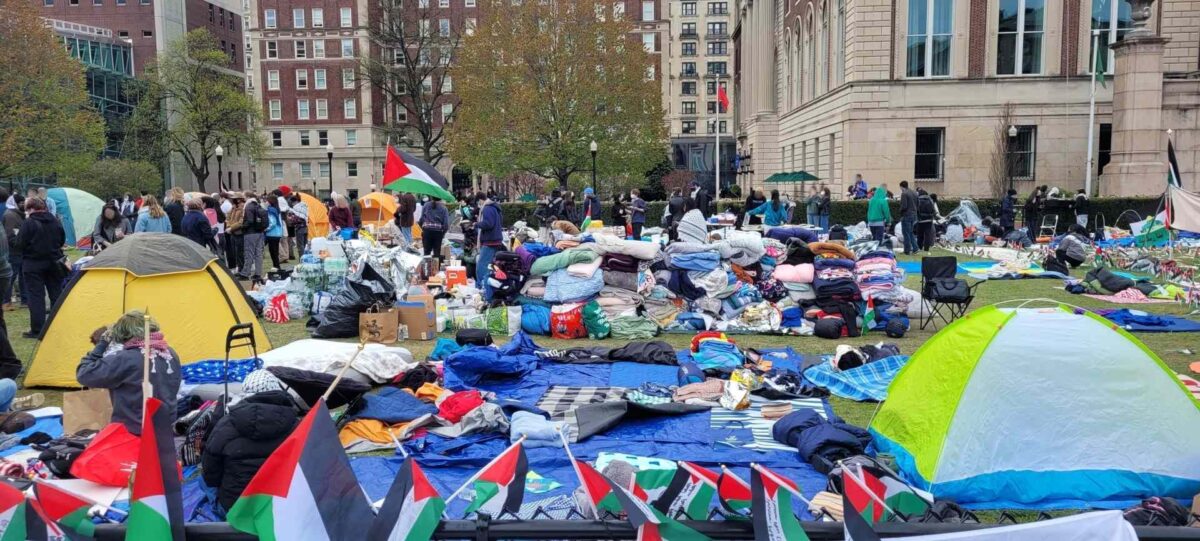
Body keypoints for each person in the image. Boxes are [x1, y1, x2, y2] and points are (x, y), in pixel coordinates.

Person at [202, 370, 299, 514]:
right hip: (278, 507)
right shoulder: (297, 425)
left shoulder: (225, 424)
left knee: (202, 482)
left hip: (235, 509)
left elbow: (210, 473)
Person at [76, 311, 181, 435]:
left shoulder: (125, 358)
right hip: (166, 429)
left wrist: (103, 343)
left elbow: (84, 374)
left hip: (134, 432)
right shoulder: (170, 353)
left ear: (124, 334)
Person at [17, 197, 65, 338]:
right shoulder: (55, 221)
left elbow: (20, 244)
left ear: (30, 209)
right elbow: (62, 239)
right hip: (54, 262)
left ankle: (38, 329)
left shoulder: (28, 223)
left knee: (36, 296)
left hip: (33, 263)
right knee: (56, 293)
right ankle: (58, 324)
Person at [475, 194, 504, 300]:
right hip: (496, 240)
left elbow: (488, 224)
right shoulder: (495, 208)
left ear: (481, 200)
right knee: (490, 266)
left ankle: (481, 288)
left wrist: (477, 224)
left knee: (481, 265)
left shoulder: (487, 209)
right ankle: (488, 288)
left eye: (478, 202)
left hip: (489, 241)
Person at [1, 193, 24, 310]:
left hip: (20, 250)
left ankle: (25, 300)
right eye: (21, 203)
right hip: (14, 251)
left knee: (23, 276)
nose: (23, 205)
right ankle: (6, 301)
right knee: (12, 276)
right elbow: (10, 235)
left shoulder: (18, 214)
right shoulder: (10, 215)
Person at [240, 193, 268, 280]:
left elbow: (249, 221)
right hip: (260, 232)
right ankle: (258, 273)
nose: (243, 199)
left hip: (250, 233)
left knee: (249, 253)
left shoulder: (248, 207)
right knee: (258, 253)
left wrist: (242, 226)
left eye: (244, 197)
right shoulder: (258, 205)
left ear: (248, 197)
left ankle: (245, 273)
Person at [225, 195, 246, 276]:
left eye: (234, 199)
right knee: (235, 252)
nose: (232, 200)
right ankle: (239, 268)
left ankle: (242, 269)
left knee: (240, 253)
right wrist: (228, 226)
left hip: (239, 233)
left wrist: (231, 228)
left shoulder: (243, 208)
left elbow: (241, 222)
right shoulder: (233, 208)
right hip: (232, 233)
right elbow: (228, 218)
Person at [263, 197, 284, 271]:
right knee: (275, 251)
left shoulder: (271, 210)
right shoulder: (277, 209)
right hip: (277, 233)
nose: (265, 202)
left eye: (266, 201)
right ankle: (277, 266)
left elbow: (272, 222)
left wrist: (265, 229)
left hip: (272, 234)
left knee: (273, 252)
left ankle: (276, 266)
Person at [898, 181, 919, 254]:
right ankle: (915, 248)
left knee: (906, 233)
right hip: (914, 215)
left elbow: (904, 206)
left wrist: (899, 211)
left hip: (906, 215)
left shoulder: (904, 193)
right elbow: (917, 204)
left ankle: (907, 250)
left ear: (901, 186)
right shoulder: (914, 193)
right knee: (910, 232)